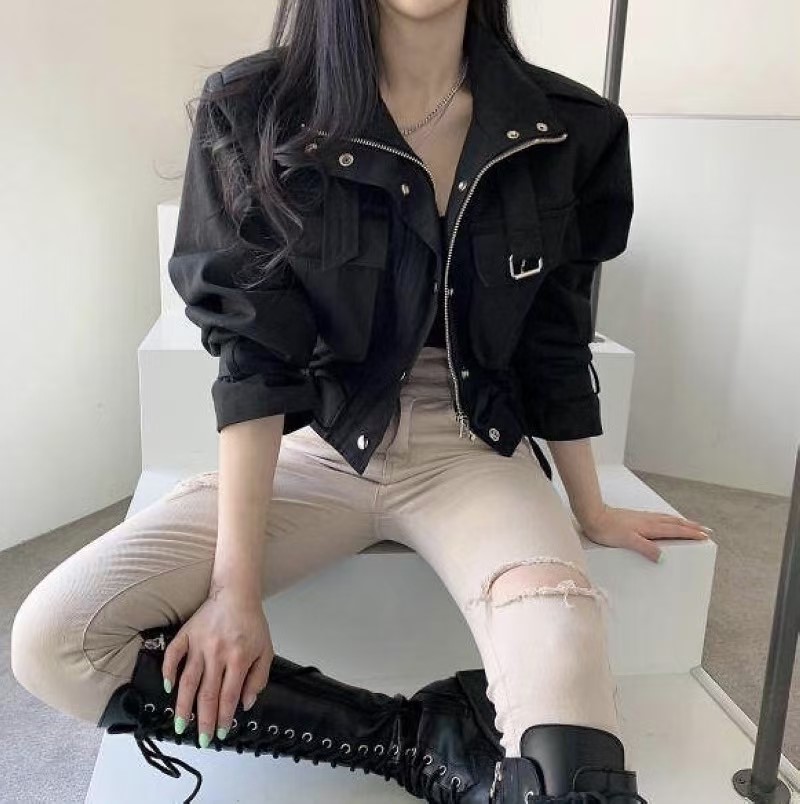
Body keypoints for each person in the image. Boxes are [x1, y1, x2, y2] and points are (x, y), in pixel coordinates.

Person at [11, 1, 712, 802]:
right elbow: (255, 358)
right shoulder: (253, 110)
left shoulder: (568, 127)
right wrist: (234, 591)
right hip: (318, 444)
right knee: (53, 642)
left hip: (476, 450)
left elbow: (555, 338)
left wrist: (589, 507)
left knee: (572, 774)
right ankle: (412, 742)